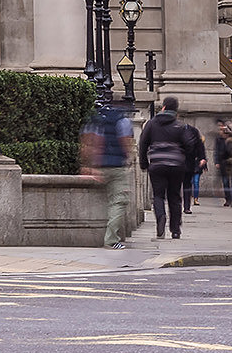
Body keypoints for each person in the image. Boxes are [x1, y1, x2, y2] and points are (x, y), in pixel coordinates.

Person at [138, 96, 203, 241]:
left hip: (157, 165)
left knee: (158, 195)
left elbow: (143, 143)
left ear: (163, 107)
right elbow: (189, 145)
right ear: (176, 110)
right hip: (176, 166)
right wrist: (184, 159)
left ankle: (161, 218)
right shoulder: (180, 126)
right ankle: (175, 230)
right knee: (174, 197)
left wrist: (144, 163)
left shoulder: (151, 124)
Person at [79, 101, 138, 248]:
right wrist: (128, 157)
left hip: (99, 166)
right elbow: (125, 142)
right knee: (119, 201)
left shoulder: (95, 121)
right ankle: (111, 240)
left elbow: (88, 143)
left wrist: (89, 165)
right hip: (116, 166)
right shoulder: (122, 121)